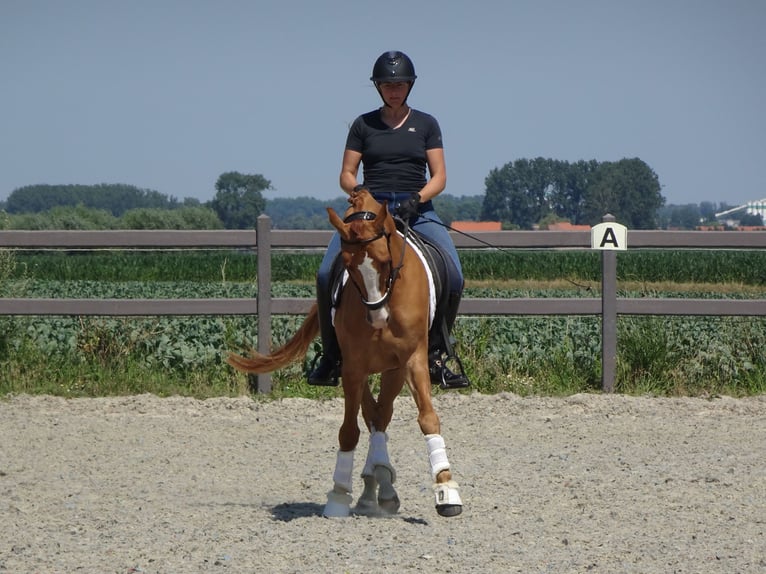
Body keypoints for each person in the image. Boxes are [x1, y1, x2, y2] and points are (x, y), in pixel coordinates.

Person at [308, 50, 469, 389]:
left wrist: (417, 199)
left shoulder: (426, 124)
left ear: (409, 86)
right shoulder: (363, 125)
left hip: (416, 209)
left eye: (399, 85)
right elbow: (346, 174)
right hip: (370, 212)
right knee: (325, 275)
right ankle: (330, 356)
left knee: (454, 274)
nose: (394, 90)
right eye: (387, 85)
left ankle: (438, 353)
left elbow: (439, 176)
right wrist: (362, 192)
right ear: (378, 88)